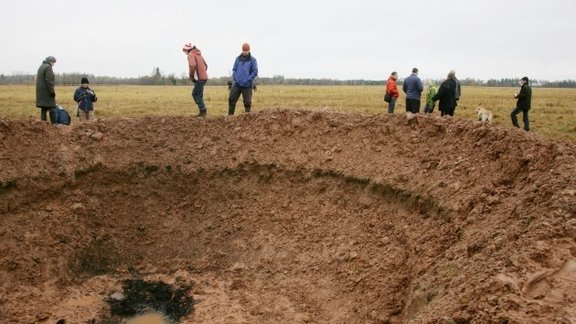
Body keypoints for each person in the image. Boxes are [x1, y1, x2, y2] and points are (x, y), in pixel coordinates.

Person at [228, 43, 258, 115]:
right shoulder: (237, 59)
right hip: (237, 84)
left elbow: (255, 71)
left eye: (246, 51)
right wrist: (235, 77)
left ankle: (247, 118)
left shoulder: (253, 60)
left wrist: (249, 79)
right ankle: (230, 116)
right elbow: (234, 69)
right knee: (231, 99)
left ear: (249, 50)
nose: (245, 52)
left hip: (247, 85)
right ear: (242, 50)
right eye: (244, 50)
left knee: (247, 102)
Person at [183, 43, 209, 117]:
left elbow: (192, 65)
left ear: (187, 50)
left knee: (195, 94)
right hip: (204, 78)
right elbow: (206, 65)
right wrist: (203, 72)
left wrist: (191, 76)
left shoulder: (191, 54)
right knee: (199, 95)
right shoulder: (199, 54)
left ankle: (203, 111)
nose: (185, 53)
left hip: (199, 79)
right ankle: (202, 112)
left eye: (185, 51)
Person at [35, 56, 57, 123]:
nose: (53, 64)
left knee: (43, 109)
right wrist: (52, 92)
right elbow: (49, 81)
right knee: (52, 108)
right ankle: (54, 125)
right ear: (51, 61)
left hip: (41, 93)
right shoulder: (48, 67)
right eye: (53, 62)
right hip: (47, 92)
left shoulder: (41, 67)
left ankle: (43, 125)